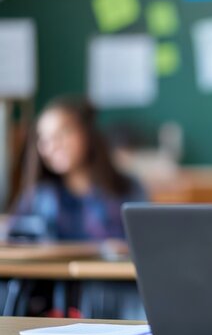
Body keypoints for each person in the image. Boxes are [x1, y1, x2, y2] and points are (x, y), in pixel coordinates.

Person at [9, 96, 147, 242]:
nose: (53, 145)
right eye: (44, 138)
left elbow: (147, 242)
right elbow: (12, 239)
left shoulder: (128, 189)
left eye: (63, 133)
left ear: (86, 133)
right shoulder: (38, 197)